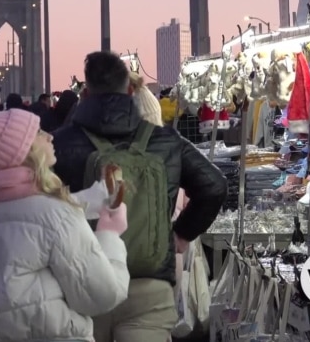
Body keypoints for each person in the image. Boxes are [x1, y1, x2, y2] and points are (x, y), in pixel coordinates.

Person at [52, 51, 227, 341]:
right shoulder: (165, 140)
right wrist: (181, 234)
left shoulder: (59, 144)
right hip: (149, 287)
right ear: (131, 90)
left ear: (84, 93)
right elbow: (215, 185)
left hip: (82, 284)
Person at [0, 104, 129, 341]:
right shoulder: (57, 214)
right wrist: (110, 236)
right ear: (25, 150)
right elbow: (100, 295)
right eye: (38, 132)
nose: (49, 135)